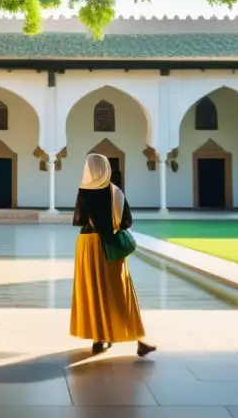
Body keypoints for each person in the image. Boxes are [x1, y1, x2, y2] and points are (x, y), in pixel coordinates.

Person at [70, 153, 156, 357]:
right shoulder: (115, 192)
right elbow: (127, 222)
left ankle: (99, 339)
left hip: (88, 246)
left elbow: (79, 220)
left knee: (93, 292)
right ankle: (138, 341)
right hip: (110, 245)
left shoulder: (83, 192)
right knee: (119, 293)